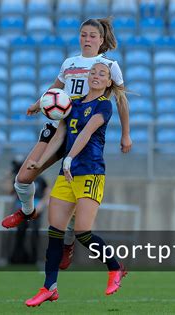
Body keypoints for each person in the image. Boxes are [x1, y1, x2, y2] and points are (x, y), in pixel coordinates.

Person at [2, 17, 132, 268]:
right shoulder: (69, 63)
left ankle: (69, 244)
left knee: (74, 198)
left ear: (101, 40)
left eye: (92, 35)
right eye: (83, 34)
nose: (87, 39)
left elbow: (121, 100)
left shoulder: (108, 65)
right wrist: (38, 103)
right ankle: (27, 211)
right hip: (57, 128)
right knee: (22, 179)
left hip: (80, 133)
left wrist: (126, 134)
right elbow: (55, 89)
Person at [23, 62, 127, 307]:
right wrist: (39, 162)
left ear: (109, 82)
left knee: (82, 233)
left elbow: (87, 133)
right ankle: (49, 287)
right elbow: (60, 136)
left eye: (102, 74)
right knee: (55, 232)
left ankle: (115, 268)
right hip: (66, 174)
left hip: (89, 173)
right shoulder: (73, 102)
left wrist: (69, 159)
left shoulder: (104, 105)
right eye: (93, 72)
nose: (96, 76)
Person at [8, 156, 50, 264]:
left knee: (34, 233)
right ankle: (17, 257)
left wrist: (41, 205)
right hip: (22, 210)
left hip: (36, 210)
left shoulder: (40, 179)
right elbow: (10, 191)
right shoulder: (20, 178)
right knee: (20, 233)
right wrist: (10, 175)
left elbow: (47, 192)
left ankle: (34, 258)